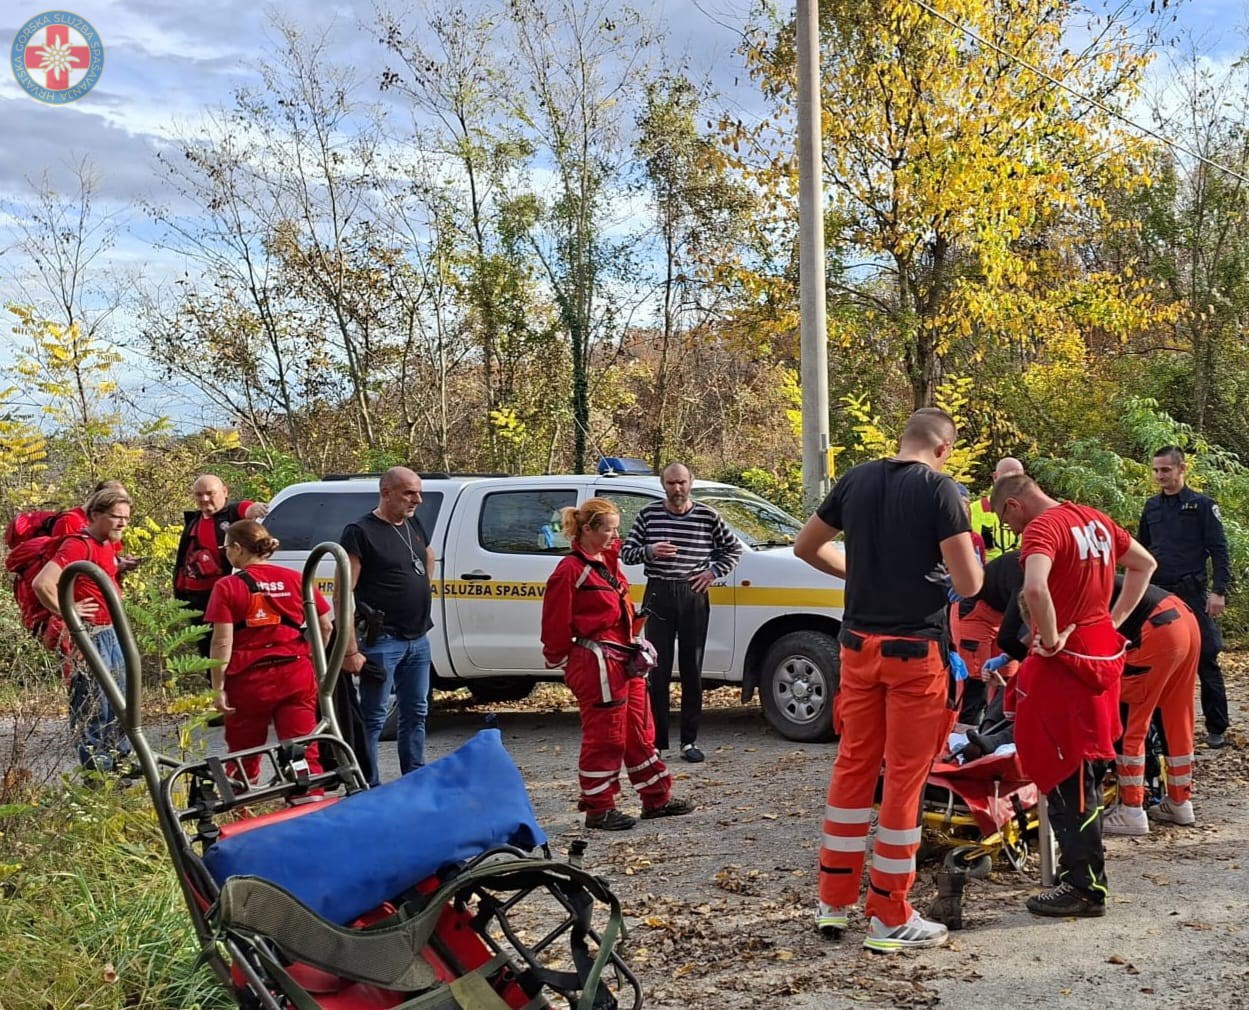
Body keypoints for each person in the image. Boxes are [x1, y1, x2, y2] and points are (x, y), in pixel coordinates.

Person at [793, 407, 983, 952]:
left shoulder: (856, 478)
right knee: (904, 780)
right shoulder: (941, 491)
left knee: (852, 769)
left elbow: (807, 547)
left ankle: (833, 902)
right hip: (914, 652)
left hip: (856, 648)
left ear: (903, 439)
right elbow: (969, 584)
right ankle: (889, 914)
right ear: (944, 448)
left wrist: (861, 571)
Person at [990, 474, 1156, 918]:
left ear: (1013, 507)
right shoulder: (1096, 520)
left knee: (1066, 771)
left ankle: (1084, 887)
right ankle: (1080, 878)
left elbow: (1034, 587)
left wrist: (1048, 637)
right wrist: (1112, 621)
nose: (1017, 535)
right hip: (1099, 655)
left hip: (1065, 665)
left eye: (1010, 524)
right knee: (1087, 767)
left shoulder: (1044, 529)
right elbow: (1144, 565)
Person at [541, 498, 694, 830]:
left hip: (625, 659)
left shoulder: (607, 559)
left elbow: (634, 551)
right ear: (588, 530)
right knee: (606, 736)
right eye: (609, 529)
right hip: (597, 663)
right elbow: (555, 622)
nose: (615, 535)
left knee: (640, 731)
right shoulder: (569, 571)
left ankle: (657, 798)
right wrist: (559, 658)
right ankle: (599, 808)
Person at [619, 462, 742, 763]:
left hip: (693, 595)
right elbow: (626, 552)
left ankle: (690, 740)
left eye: (682, 482)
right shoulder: (648, 514)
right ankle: (657, 742)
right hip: (659, 591)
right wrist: (650, 551)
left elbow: (733, 550)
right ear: (663, 484)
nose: (677, 488)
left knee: (692, 669)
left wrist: (712, 572)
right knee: (657, 670)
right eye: (672, 483)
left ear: (691, 483)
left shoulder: (707, 515)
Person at [204, 520, 333, 782]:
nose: (225, 552)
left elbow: (221, 643)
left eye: (226, 547)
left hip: (248, 681)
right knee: (302, 750)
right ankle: (308, 801)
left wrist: (217, 688)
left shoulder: (228, 586)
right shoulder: (295, 578)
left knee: (244, 754)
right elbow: (326, 626)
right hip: (295, 673)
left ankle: (242, 811)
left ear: (238, 548)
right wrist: (309, 657)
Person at [339, 467, 435, 785]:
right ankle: (368, 783)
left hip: (418, 638)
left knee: (416, 711)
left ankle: (414, 774)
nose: (417, 500)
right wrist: (350, 649)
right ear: (386, 492)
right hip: (383, 641)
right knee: (374, 716)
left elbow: (427, 556)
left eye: (418, 493)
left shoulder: (413, 523)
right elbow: (343, 591)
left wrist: (421, 588)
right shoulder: (360, 531)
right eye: (409, 493)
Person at [30, 486, 135, 773]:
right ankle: (96, 772)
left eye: (126, 517)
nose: (123, 523)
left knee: (120, 701)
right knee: (93, 704)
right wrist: (69, 611)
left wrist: (119, 568)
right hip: (90, 635)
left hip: (111, 631)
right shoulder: (77, 544)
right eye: (116, 517)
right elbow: (42, 583)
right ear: (96, 515)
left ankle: (119, 764)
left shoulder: (106, 544)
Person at [1137, 446, 1232, 748]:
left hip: (1191, 591)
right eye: (1156, 470)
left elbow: (1219, 550)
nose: (1160, 476)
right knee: (1154, 659)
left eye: (1165, 469)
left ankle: (1217, 726)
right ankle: (1159, 730)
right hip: (1158, 594)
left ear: (1182, 469)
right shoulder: (1152, 507)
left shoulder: (1201, 505)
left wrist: (1219, 591)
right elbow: (1141, 551)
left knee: (1206, 655)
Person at [1098, 578, 1199, 836]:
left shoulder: (1051, 585)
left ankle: (1131, 809)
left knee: (1132, 718)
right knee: (1177, 716)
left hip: (1153, 628)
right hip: (1183, 617)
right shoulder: (1090, 568)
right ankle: (1180, 801)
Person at [174, 475, 269, 657]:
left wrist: (255, 508)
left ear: (224, 492)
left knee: (228, 648)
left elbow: (246, 509)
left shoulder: (231, 514)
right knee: (206, 652)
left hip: (226, 597)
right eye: (199, 495)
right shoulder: (194, 521)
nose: (204, 499)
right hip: (198, 600)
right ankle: (213, 683)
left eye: (210, 493)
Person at [969, 457, 1025, 561]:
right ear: (995, 476)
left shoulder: (1029, 509)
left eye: (1018, 477)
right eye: (1007, 477)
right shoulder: (974, 509)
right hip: (986, 572)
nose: (1013, 483)